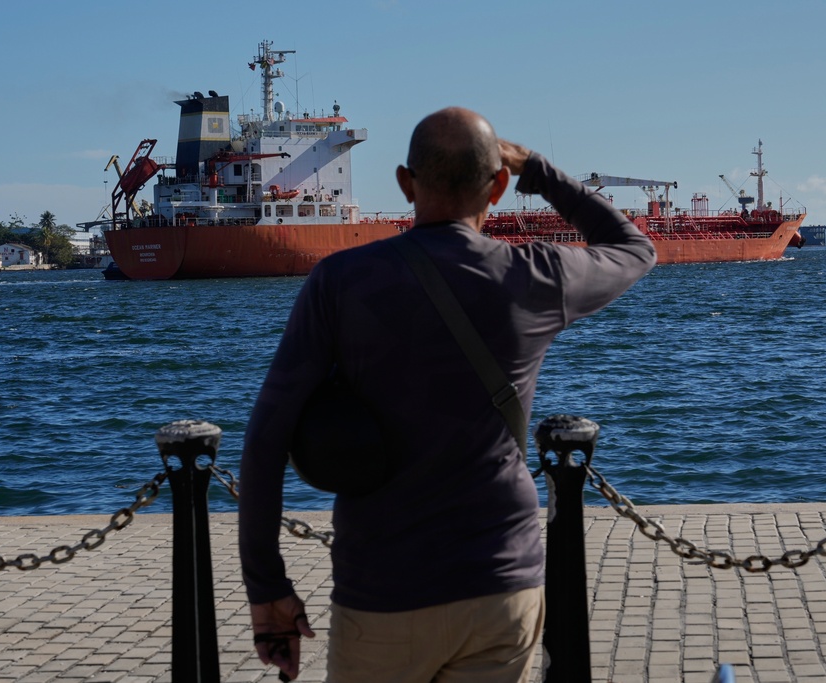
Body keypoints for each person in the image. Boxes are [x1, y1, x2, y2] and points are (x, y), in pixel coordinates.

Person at [239, 106, 656, 681]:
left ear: (405, 184)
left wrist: (268, 589)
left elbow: (266, 438)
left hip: (382, 591)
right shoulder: (536, 275)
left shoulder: (338, 281)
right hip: (500, 587)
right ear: (500, 187)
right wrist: (538, 170)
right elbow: (635, 249)